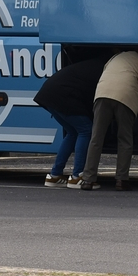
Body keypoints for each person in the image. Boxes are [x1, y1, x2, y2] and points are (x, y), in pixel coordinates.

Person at [79, 50, 138, 191]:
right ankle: (121, 180)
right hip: (125, 97)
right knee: (125, 140)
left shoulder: (115, 57)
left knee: (96, 138)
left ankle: (88, 180)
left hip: (102, 94)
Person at [33, 56, 106, 189]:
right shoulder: (104, 71)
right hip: (64, 95)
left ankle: (55, 175)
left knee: (72, 133)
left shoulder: (92, 64)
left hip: (48, 93)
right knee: (86, 130)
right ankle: (77, 176)